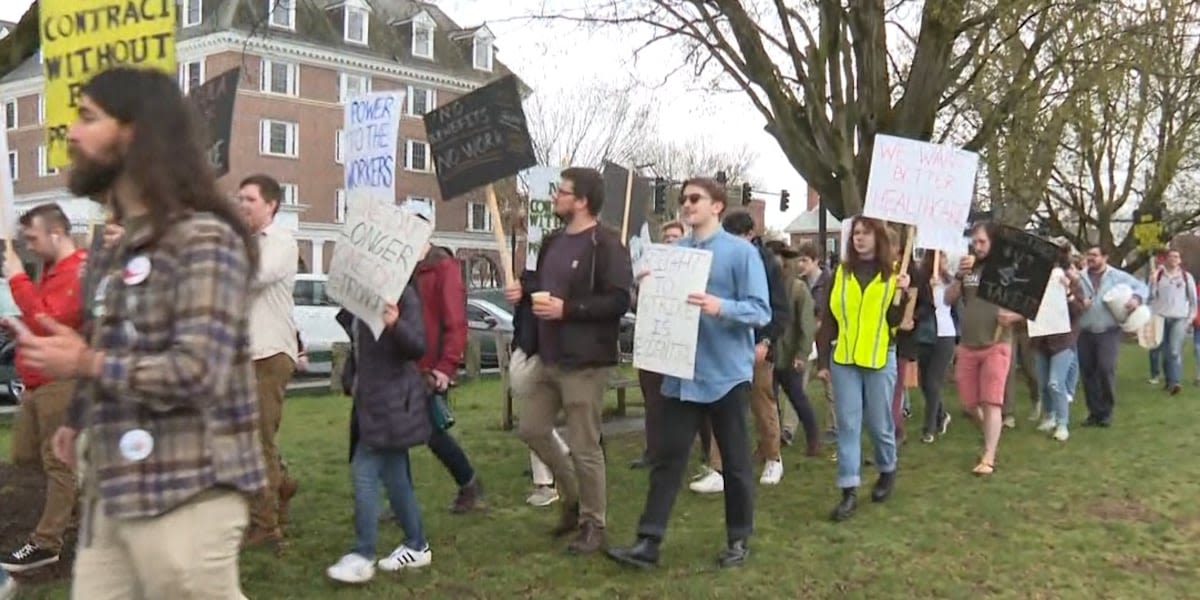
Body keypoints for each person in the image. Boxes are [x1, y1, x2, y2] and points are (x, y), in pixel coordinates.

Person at [15, 67, 264, 598]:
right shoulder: (120, 247)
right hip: (114, 496)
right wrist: (79, 414)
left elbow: (197, 372)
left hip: (188, 496)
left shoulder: (206, 239)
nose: (72, 134)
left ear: (134, 132)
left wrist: (84, 364)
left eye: (87, 117)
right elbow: (117, 339)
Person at [606, 177, 770, 569]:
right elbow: (655, 307)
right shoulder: (671, 253)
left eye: (695, 198)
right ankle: (648, 542)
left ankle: (738, 538)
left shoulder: (740, 253)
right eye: (683, 199)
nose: (686, 204)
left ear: (717, 206)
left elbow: (761, 311)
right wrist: (647, 288)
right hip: (681, 373)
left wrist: (720, 306)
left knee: (734, 461)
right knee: (668, 459)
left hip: (726, 375)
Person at [505, 167, 632, 555]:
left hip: (585, 361)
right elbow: (542, 285)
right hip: (547, 354)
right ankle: (571, 497)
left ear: (582, 201)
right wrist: (522, 291)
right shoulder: (553, 242)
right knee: (532, 428)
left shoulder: (607, 245)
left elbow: (619, 301)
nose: (555, 197)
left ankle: (593, 524)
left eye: (562, 192)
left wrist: (569, 309)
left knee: (584, 444)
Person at [1, 203, 88, 572]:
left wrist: (17, 279)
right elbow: (39, 316)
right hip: (35, 383)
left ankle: (47, 543)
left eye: (33, 238)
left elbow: (51, 321)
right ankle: (77, 510)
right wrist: (17, 323)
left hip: (60, 381)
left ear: (56, 233)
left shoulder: (78, 270)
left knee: (56, 462)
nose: (29, 246)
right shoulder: (51, 270)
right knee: (25, 457)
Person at [327, 285, 432, 583]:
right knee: (396, 476)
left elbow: (417, 346)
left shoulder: (405, 295)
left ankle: (363, 554)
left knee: (364, 470)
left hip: (393, 403)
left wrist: (395, 324)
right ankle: (417, 544)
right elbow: (358, 344)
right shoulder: (361, 297)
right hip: (369, 404)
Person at [815, 216, 908, 522]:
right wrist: (824, 361)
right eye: (856, 233)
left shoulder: (894, 275)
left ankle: (887, 468)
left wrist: (902, 294)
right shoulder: (840, 273)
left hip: (880, 358)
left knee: (879, 423)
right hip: (845, 360)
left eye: (866, 233)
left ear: (878, 238)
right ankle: (848, 489)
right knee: (848, 425)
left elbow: (895, 322)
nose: (859, 238)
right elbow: (828, 318)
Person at [236, 174, 301, 549]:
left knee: (258, 440)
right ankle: (283, 483)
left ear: (270, 205)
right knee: (246, 438)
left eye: (249, 199)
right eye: (239, 198)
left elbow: (253, 278)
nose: (242, 205)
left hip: (270, 353)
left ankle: (266, 527)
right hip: (243, 353)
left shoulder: (280, 242)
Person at [412, 233, 485, 512]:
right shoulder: (403, 268)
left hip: (428, 366)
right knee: (396, 432)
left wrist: (446, 365)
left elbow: (455, 320)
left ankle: (469, 483)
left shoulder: (443, 268)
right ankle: (400, 496)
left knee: (431, 432)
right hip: (405, 360)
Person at [944, 222, 1024, 476]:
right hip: (968, 344)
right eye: (974, 241)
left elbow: (1029, 306)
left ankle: (989, 455)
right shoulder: (969, 268)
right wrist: (958, 276)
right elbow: (948, 299)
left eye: (982, 242)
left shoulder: (1007, 270)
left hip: (997, 344)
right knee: (969, 404)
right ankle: (991, 433)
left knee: (991, 402)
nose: (977, 247)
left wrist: (1013, 317)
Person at [631, 220, 685, 469]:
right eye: (667, 237)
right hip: (653, 347)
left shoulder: (692, 269)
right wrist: (638, 286)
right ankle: (653, 451)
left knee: (688, 404)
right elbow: (635, 306)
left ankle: (705, 452)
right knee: (653, 403)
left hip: (681, 346)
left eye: (676, 236)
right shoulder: (649, 271)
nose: (671, 240)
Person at [1077, 245, 1147, 427]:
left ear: (1105, 257)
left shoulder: (1117, 276)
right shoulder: (1079, 277)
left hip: (1108, 330)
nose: (1090, 258)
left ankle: (1106, 411)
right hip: (1084, 331)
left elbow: (1141, 286)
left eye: (1095, 255)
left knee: (1105, 368)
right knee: (1088, 372)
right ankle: (1094, 412)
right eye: (1088, 254)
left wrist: (1136, 299)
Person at [1032, 246, 1087, 442]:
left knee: (1056, 382)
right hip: (1041, 339)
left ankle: (1063, 424)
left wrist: (1069, 293)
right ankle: (1049, 416)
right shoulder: (1035, 281)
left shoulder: (1070, 282)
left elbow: (1079, 311)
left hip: (1063, 341)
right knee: (1043, 382)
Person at [771, 243, 820, 456]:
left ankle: (814, 439)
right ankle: (770, 445)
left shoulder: (798, 289)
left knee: (798, 399)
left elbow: (807, 325)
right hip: (769, 355)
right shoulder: (765, 284)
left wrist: (801, 354)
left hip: (790, 355)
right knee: (769, 403)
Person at [914, 250, 957, 443]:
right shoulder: (922, 281)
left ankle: (929, 428)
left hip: (945, 334)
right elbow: (918, 307)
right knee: (924, 382)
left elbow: (954, 306)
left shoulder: (950, 281)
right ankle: (941, 415)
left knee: (933, 381)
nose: (945, 262)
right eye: (943, 258)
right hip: (926, 334)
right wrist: (928, 291)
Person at [1147, 249, 1195, 395]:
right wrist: (1153, 281)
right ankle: (1169, 381)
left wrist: (1190, 318)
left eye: (1177, 256)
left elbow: (1193, 300)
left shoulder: (1186, 277)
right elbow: (1150, 297)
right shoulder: (1159, 275)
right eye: (1171, 256)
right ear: (1165, 259)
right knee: (1165, 351)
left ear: (1180, 260)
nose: (1174, 259)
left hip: (1179, 318)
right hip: (1161, 317)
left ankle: (1175, 382)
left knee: (1174, 350)